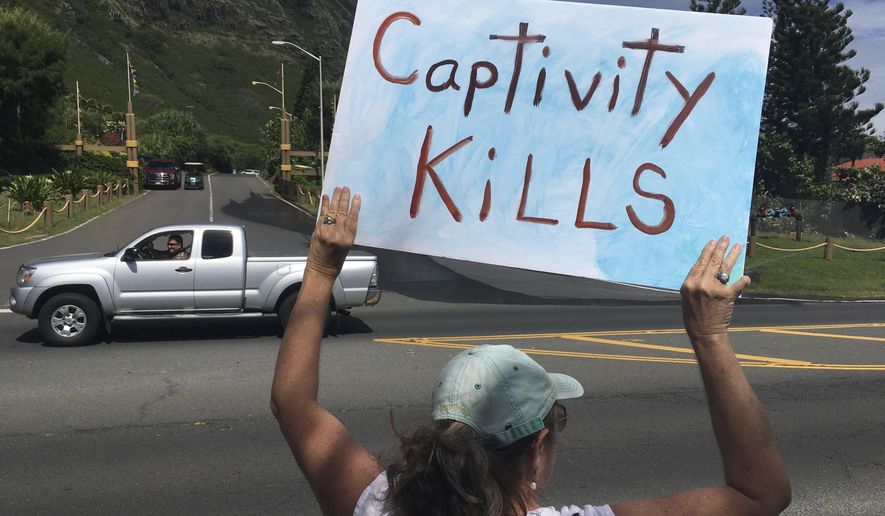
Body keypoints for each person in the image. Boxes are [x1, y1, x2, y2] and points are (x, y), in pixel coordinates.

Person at [271, 186, 792, 516]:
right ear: (538, 451)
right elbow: (760, 495)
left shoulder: (374, 504)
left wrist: (320, 269)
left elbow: (293, 403)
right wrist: (709, 335)